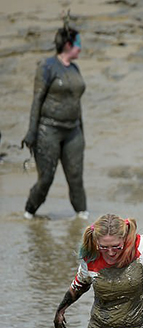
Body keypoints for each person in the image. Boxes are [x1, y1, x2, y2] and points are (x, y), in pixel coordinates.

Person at [22, 19, 88, 220]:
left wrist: (81, 132)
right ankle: (29, 212)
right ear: (68, 45)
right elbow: (37, 100)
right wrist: (31, 132)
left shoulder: (75, 68)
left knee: (75, 176)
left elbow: (77, 103)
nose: (80, 48)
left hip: (73, 131)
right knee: (46, 178)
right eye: (78, 44)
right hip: (48, 130)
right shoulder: (47, 67)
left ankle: (82, 218)